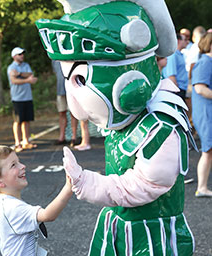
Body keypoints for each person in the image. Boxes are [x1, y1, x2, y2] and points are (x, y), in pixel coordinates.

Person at [36, 0, 196, 254]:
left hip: (152, 239)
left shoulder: (160, 127)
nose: (74, 96)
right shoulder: (128, 120)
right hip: (120, 225)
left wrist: (86, 182)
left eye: (80, 79)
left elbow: (143, 186)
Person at [0, 145, 72, 255]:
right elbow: (47, 215)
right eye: (13, 165)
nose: (22, 166)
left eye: (19, 162)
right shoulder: (13, 208)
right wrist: (68, 188)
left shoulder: (8, 202)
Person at [191, 32, 212, 197]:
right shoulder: (205, 62)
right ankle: (202, 188)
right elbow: (200, 88)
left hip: (208, 112)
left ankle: (203, 187)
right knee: (208, 150)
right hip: (206, 114)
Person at [7, 47, 38, 153]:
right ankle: (17, 143)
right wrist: (27, 79)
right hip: (17, 98)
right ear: (14, 56)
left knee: (26, 120)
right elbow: (14, 80)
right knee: (18, 121)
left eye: (22, 54)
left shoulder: (26, 65)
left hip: (27, 97)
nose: (22, 56)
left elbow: (31, 75)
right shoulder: (11, 67)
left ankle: (26, 141)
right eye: (20, 54)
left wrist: (20, 74)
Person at [51, 60, 79, 145]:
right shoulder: (54, 60)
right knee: (61, 113)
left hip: (71, 90)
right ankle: (61, 137)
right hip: (60, 90)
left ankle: (74, 137)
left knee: (73, 113)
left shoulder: (69, 57)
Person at [162, 33, 189, 100]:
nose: (187, 42)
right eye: (185, 40)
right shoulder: (173, 55)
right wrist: (176, 92)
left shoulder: (179, 54)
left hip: (181, 88)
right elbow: (171, 76)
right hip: (177, 89)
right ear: (178, 40)